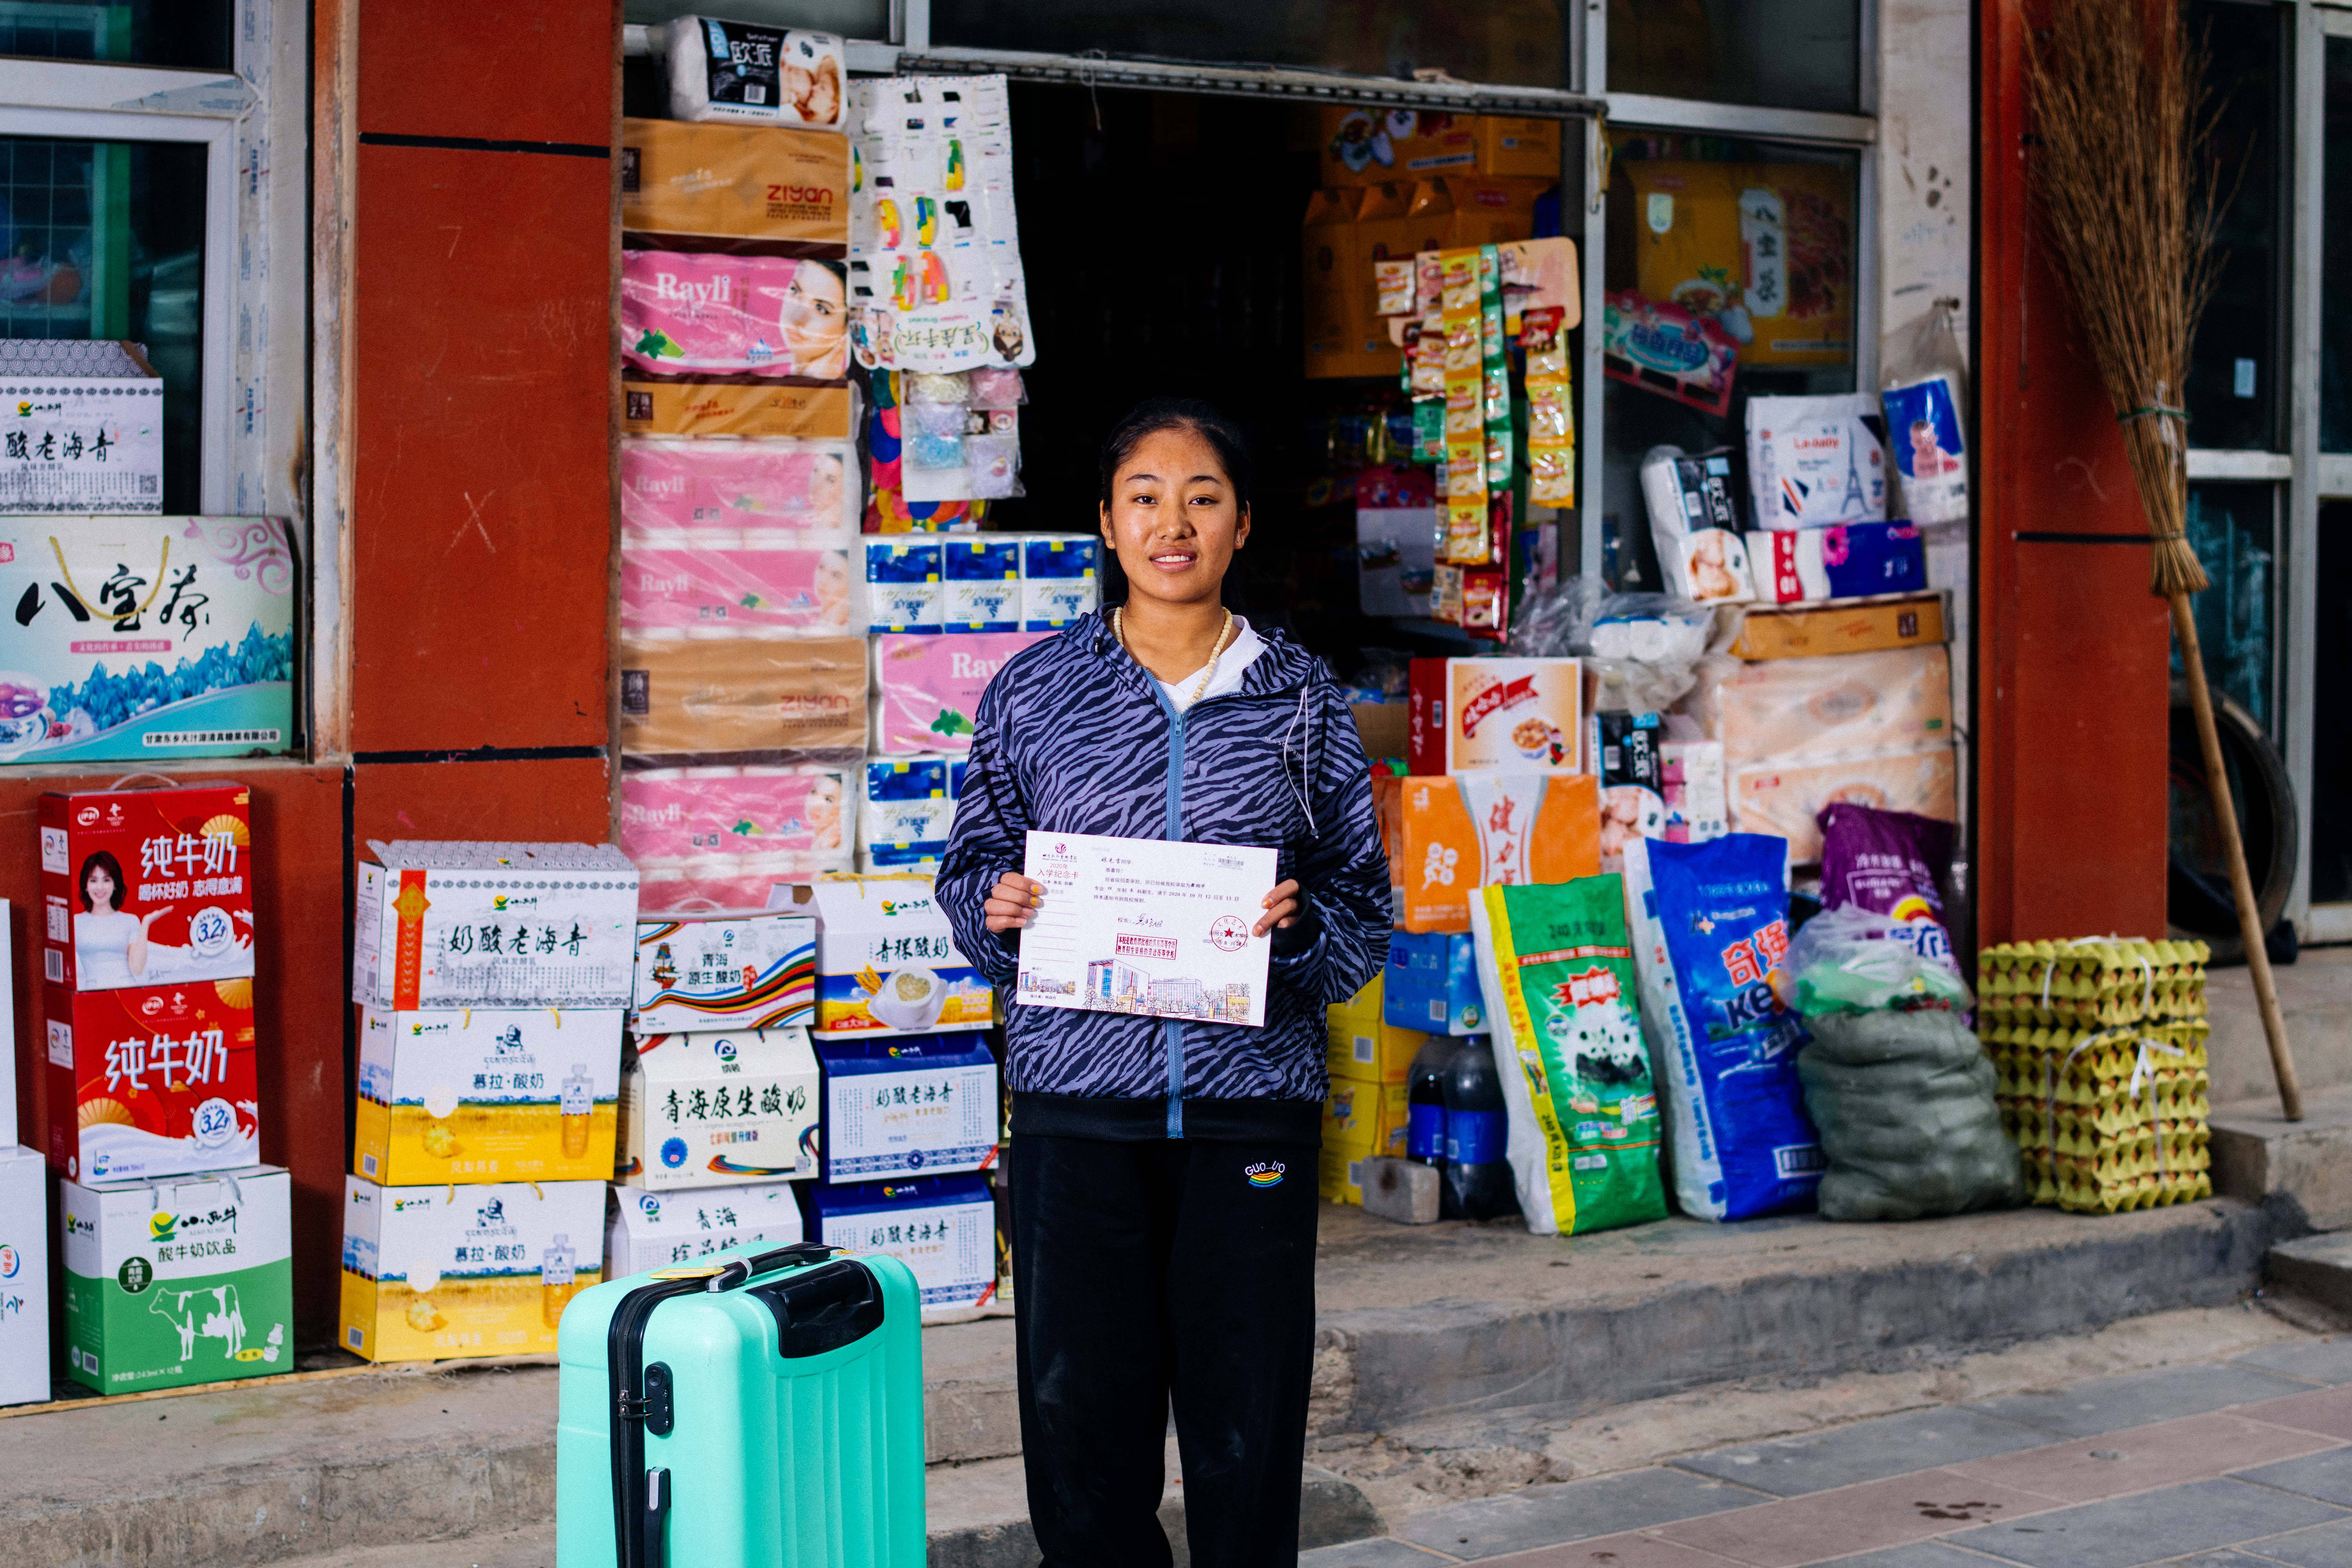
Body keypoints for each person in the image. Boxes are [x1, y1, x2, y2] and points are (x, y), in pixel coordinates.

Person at [939, 398, 1391, 1567]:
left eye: (1201, 497)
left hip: (1250, 1110)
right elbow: (971, 868)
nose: (1171, 521)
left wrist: (1295, 941)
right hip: (1075, 1113)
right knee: (1082, 1434)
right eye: (1144, 495)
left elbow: (1360, 906)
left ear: (1241, 524)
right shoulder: (1035, 693)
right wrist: (996, 913)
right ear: (1104, 521)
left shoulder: (1300, 702)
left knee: (1246, 1432)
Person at [73, 850, 161, 986]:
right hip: (89, 993)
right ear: (86, 885)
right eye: (94, 880)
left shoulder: (129, 921)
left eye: (107, 880)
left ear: (115, 885)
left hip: (125, 990)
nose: (100, 887)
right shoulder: (75, 923)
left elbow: (137, 969)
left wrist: (146, 924)